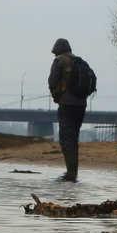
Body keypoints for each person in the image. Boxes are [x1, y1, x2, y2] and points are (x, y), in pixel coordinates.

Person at [48, 37, 86, 181]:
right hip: (81, 105)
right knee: (73, 137)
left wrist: (56, 95)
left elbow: (52, 81)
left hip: (66, 104)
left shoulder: (59, 61)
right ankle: (73, 173)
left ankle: (70, 174)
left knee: (66, 138)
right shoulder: (79, 61)